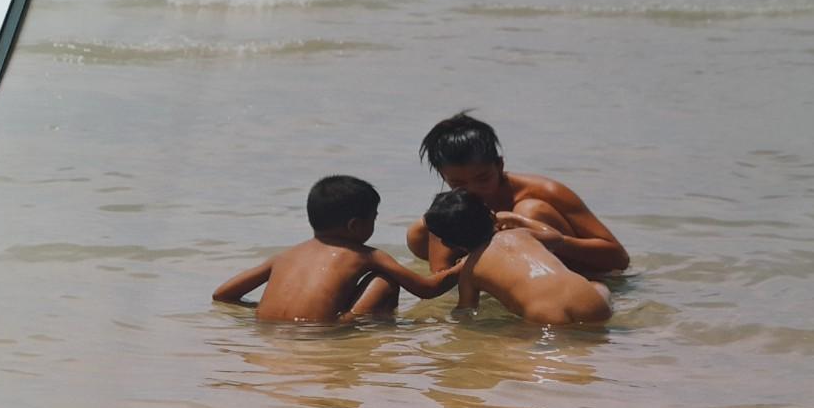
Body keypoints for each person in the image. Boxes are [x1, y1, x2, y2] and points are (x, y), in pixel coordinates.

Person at [213, 175, 462, 322]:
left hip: (267, 327)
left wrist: (265, 312)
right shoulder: (367, 255)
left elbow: (223, 294)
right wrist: (462, 266)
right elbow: (427, 289)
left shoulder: (286, 255)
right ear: (355, 225)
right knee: (385, 280)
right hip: (324, 332)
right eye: (373, 218)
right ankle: (363, 329)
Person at [407, 113, 630, 275]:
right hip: (510, 275)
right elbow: (441, 274)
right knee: (421, 230)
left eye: (483, 178)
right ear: (443, 176)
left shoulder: (545, 192)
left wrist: (537, 236)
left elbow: (618, 259)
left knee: (531, 210)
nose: (473, 190)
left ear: (500, 165)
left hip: (572, 272)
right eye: (458, 183)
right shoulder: (456, 208)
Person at [423, 188, 612, 325]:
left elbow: (466, 311)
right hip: (589, 301)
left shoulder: (469, 271)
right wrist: (518, 219)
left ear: (448, 244)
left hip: (543, 315)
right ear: (492, 216)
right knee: (598, 286)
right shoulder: (521, 234)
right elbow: (556, 237)